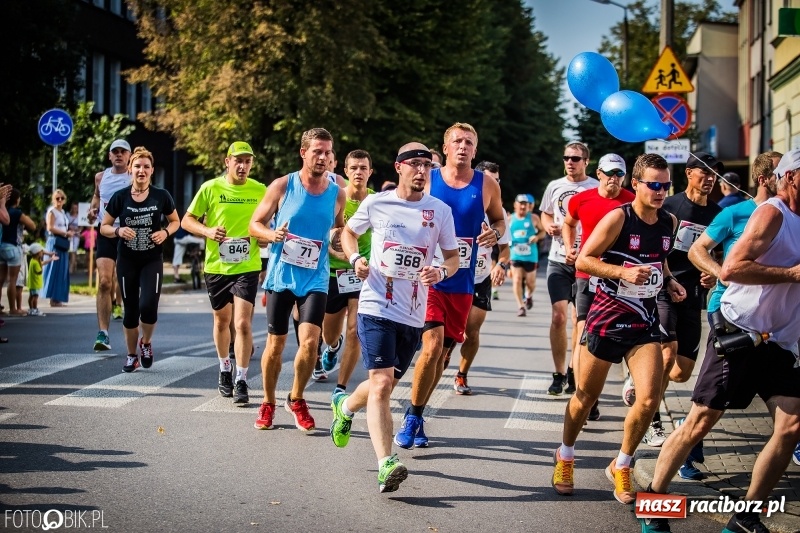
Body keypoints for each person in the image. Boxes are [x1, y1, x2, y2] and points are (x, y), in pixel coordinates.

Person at [640, 148, 800, 533]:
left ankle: (745, 518)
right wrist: (793, 275)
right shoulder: (772, 213)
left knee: (792, 425)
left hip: (781, 342)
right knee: (699, 422)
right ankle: (655, 503)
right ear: (792, 176)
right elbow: (733, 267)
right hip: (741, 332)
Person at [552, 153, 685, 504]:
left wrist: (669, 281)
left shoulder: (669, 222)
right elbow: (583, 260)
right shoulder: (617, 218)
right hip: (607, 320)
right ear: (636, 185)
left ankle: (622, 464)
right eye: (653, 185)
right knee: (584, 398)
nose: (659, 191)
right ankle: (565, 455)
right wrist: (622, 273)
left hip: (644, 324)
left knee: (648, 400)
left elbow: (660, 259)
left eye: (665, 185)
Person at [330, 142, 459, 493]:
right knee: (383, 384)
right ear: (398, 167)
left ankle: (345, 407)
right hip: (375, 306)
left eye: (427, 166)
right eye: (414, 164)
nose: (421, 171)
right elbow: (349, 232)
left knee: (379, 385)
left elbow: (452, 258)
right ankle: (386, 463)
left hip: (413, 314)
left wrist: (441, 272)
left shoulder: (440, 211)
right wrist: (356, 258)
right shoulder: (377, 203)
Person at [394, 122, 505, 449]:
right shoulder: (429, 178)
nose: (463, 146)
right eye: (457, 141)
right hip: (428, 279)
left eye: (469, 142)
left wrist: (495, 233)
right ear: (444, 148)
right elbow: (403, 208)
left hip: (462, 282)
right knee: (431, 346)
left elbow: (500, 220)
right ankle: (412, 416)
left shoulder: (486, 185)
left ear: (475, 149)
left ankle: (418, 410)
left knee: (442, 355)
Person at [679, 151, 781, 481]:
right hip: (728, 311)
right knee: (714, 399)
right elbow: (697, 250)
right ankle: (685, 450)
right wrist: (720, 272)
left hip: (774, 317)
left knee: (782, 393)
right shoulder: (736, 212)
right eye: (784, 173)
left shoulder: (789, 216)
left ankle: (791, 438)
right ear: (765, 179)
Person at [250, 127, 345, 431]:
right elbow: (255, 225)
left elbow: (336, 229)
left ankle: (296, 398)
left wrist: (339, 240)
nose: (323, 157)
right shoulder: (282, 186)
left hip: (315, 278)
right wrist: (272, 234)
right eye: (317, 151)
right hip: (282, 277)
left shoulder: (336, 193)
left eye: (327, 152)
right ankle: (267, 402)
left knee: (310, 342)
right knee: (276, 345)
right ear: (303, 153)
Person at [628, 151, 722, 448]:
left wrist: (712, 274)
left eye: (713, 174)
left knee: (681, 372)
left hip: (694, 294)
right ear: (689, 174)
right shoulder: (669, 205)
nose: (709, 179)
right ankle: (653, 417)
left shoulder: (718, 214)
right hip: (665, 291)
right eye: (704, 173)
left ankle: (644, 384)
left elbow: (716, 253)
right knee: (666, 355)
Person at [182, 141, 267, 402]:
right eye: (237, 160)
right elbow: (187, 220)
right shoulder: (210, 188)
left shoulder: (260, 190)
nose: (242, 166)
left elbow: (264, 224)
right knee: (221, 321)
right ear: (227, 161)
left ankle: (242, 379)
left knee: (242, 323)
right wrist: (208, 231)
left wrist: (264, 237)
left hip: (247, 265)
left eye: (247, 161)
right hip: (217, 266)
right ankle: (225, 369)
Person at [562, 153, 635, 419]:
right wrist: (571, 247)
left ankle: (611, 386)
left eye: (619, 174)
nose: (614, 179)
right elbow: (569, 223)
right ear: (599, 173)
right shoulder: (582, 198)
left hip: (619, 276)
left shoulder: (632, 200)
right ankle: (585, 395)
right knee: (583, 330)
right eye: (610, 173)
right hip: (587, 273)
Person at [100, 147, 179, 373]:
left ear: (152, 170)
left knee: (149, 307)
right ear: (130, 170)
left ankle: (145, 343)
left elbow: (176, 221)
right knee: (131, 311)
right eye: (137, 166)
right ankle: (131, 354)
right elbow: (104, 226)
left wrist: (165, 232)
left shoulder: (161, 196)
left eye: (146, 167)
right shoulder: (120, 197)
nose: (141, 170)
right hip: (127, 259)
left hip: (151, 259)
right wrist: (118, 231)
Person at [540, 142, 599, 395]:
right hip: (558, 259)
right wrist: (547, 226)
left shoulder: (595, 188)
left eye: (575, 158)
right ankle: (558, 373)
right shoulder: (555, 186)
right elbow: (545, 213)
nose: (570, 162)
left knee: (579, 320)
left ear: (586, 161)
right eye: (566, 158)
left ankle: (575, 370)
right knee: (558, 317)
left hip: (586, 261)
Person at [320, 149, 375, 398]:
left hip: (362, 274)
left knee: (354, 329)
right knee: (329, 332)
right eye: (354, 168)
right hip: (334, 272)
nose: (359, 172)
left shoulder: (377, 201)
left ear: (370, 172)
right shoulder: (335, 198)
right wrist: (344, 256)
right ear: (345, 171)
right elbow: (327, 234)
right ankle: (332, 346)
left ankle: (340, 388)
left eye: (363, 168)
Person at [88, 139, 132, 350]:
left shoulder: (135, 176)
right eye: (115, 152)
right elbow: (96, 198)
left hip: (130, 234)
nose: (119, 155)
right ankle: (103, 333)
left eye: (123, 152)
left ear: (129, 156)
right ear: (109, 156)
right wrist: (92, 210)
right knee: (105, 281)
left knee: (128, 284)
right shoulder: (100, 177)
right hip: (106, 232)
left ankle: (135, 332)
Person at [0, 189, 36, 316]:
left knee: (1, 279)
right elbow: (32, 225)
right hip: (13, 247)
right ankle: (13, 308)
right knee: (13, 280)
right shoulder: (16, 213)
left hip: (2, 245)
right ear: (17, 199)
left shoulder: (3, 211)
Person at [509, 193, 545, 317]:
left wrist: (537, 237)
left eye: (525, 205)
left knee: (530, 282)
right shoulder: (509, 219)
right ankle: (520, 306)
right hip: (515, 254)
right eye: (521, 204)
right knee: (517, 279)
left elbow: (543, 232)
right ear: (515, 205)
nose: (523, 207)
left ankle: (528, 296)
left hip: (530, 255)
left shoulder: (534, 218)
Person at [42, 189, 71, 308]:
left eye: (61, 198)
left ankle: (58, 298)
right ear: (53, 200)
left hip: (63, 242)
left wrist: (69, 233)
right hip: (55, 241)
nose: (59, 200)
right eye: (57, 198)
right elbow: (50, 227)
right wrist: (65, 233)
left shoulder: (63, 212)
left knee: (62, 271)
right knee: (54, 269)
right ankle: (52, 298)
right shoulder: (52, 211)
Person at [26, 243, 57, 317]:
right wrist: (42, 268)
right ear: (37, 253)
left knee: (31, 296)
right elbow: (39, 271)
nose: (42, 253)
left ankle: (31, 309)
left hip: (32, 283)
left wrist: (50, 259)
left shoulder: (33, 261)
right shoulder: (35, 263)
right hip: (35, 283)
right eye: (41, 252)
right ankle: (35, 309)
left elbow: (42, 263)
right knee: (35, 297)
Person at [67, 202, 80, 274]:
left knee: (73, 251)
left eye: (76, 208)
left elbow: (81, 226)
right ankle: (74, 265)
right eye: (73, 208)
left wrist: (77, 231)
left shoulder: (79, 216)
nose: (74, 209)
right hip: (69, 235)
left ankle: (72, 266)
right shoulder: (68, 215)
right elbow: (67, 225)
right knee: (71, 251)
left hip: (76, 236)